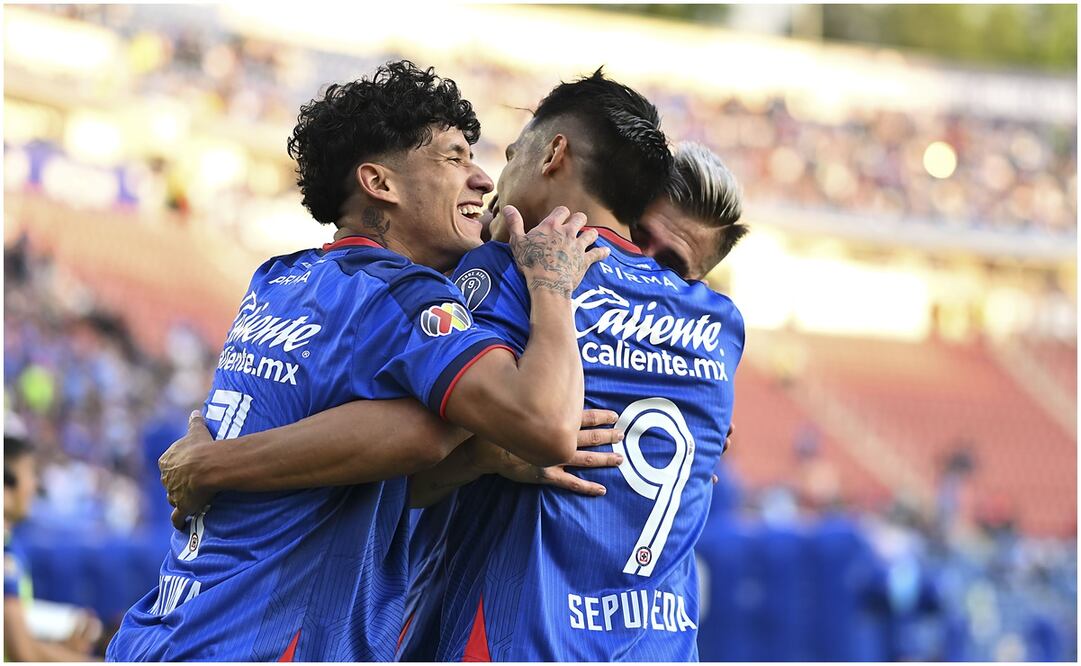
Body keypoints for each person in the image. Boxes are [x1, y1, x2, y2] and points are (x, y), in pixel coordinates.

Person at [106, 60, 605, 662]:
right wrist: (551, 286)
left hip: (167, 629)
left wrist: (474, 458)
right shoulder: (401, 294)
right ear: (380, 182)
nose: (481, 180)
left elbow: (350, 480)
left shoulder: (279, 279)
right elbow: (541, 423)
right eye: (454, 158)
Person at [5, 431, 103, 662]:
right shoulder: (5, 558)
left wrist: (61, 647)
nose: (34, 485)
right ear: (6, 482)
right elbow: (23, 654)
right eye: (29, 473)